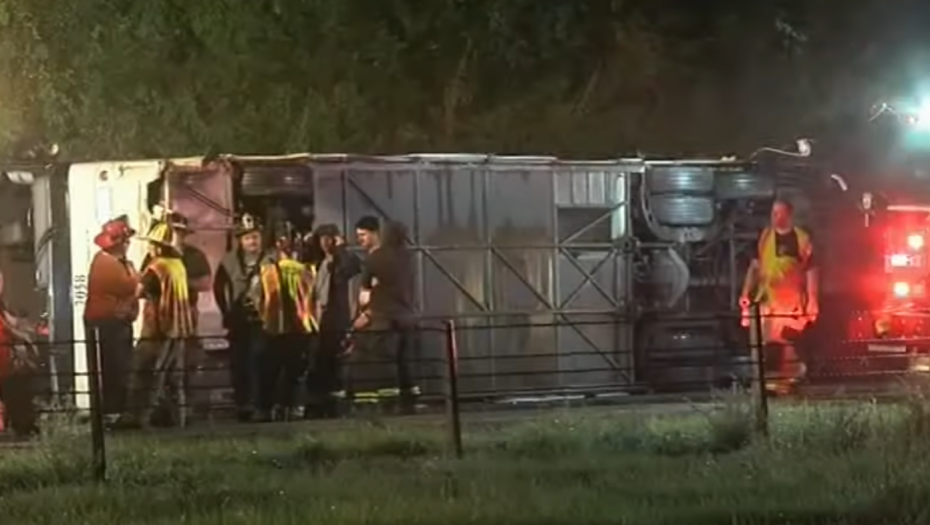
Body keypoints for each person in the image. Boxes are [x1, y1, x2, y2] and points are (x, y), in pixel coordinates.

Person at [115, 220, 194, 429]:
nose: (149, 247)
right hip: (178, 329)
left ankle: (139, 419)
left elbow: (139, 292)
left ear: (159, 246)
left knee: (146, 372)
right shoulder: (178, 265)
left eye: (152, 244)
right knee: (173, 377)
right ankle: (179, 420)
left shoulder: (156, 267)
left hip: (157, 329)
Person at [739, 198, 819, 395]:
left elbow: (811, 270)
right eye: (774, 213)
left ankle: (788, 379)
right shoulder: (765, 237)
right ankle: (766, 383)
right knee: (764, 341)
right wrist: (745, 292)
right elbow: (754, 267)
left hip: (791, 302)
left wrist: (813, 299)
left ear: (789, 215)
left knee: (786, 341)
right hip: (767, 299)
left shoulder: (802, 238)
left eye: (781, 213)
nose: (777, 217)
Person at [349, 216, 417, 414]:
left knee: (385, 361)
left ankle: (387, 404)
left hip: (383, 319)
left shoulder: (375, 259)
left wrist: (365, 314)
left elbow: (364, 293)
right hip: (406, 317)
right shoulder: (408, 259)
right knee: (405, 362)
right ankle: (408, 402)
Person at [214, 214, 274, 422]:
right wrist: (226, 311)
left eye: (255, 236)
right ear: (240, 240)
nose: (252, 241)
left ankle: (261, 405)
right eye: (247, 238)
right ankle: (243, 405)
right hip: (238, 321)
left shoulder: (272, 259)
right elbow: (218, 288)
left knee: (262, 362)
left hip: (264, 321)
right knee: (239, 363)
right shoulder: (228, 262)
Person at [83, 216, 139, 418]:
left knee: (117, 365)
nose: (128, 244)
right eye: (125, 241)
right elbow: (131, 285)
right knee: (116, 366)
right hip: (109, 322)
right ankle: (114, 409)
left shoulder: (111, 261)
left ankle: (115, 408)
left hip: (114, 320)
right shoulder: (107, 264)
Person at [259, 231, 317, 422]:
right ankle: (293, 408)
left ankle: (269, 409)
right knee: (295, 371)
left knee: (271, 370)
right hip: (301, 327)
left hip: (275, 328)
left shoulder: (268, 271)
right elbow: (314, 299)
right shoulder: (307, 272)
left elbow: (258, 297)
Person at [305, 223, 362, 419]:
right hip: (320, 319)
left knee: (336, 363)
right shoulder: (320, 262)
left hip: (337, 318)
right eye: (322, 238)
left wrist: (341, 249)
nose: (325, 243)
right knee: (320, 363)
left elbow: (350, 269)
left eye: (329, 238)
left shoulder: (343, 260)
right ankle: (321, 403)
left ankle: (336, 406)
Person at [0, 269, 40, 437]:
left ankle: (22, 426)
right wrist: (23, 335)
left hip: (5, 360)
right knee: (16, 392)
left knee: (14, 392)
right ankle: (23, 426)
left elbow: (8, 323)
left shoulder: (2, 307)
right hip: (4, 360)